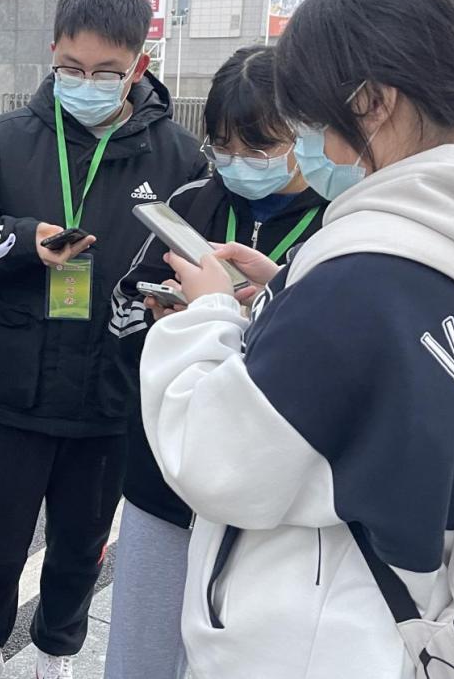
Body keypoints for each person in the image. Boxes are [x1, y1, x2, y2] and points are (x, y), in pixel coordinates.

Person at [140, 0, 454, 678]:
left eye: (315, 115)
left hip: (302, 636)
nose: (315, 144)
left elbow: (216, 457)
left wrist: (205, 312)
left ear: (374, 102)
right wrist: (286, 292)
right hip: (399, 618)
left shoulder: (362, 276)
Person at [0, 0, 208, 679]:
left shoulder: (179, 158)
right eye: (71, 68)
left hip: (111, 391)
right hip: (12, 386)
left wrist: (179, 302)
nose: (85, 84)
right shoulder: (5, 139)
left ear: (140, 65)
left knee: (82, 544)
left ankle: (55, 651)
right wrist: (25, 240)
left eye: (106, 72)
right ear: (53, 52)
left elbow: (198, 261)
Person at [104, 44, 327, 679]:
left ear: (308, 135)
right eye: (224, 146)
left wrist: (247, 312)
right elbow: (123, 305)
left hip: (272, 499)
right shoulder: (193, 202)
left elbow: (330, 356)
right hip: (165, 484)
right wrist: (163, 320)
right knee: (141, 654)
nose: (239, 163)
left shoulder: (337, 219)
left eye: (260, 147)